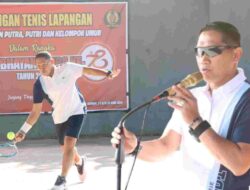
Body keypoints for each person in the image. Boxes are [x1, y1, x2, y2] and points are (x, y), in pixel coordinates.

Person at [111, 21, 250, 190]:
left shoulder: (245, 99)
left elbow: (239, 164)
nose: (203, 58)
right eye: (199, 52)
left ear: (236, 55)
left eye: (212, 50)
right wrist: (134, 147)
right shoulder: (193, 97)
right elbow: (166, 145)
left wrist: (196, 122)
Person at [15, 51, 119, 190]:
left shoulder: (68, 68)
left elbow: (88, 70)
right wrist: (23, 131)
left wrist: (107, 73)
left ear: (51, 61)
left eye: (44, 64)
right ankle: (80, 162)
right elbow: (35, 112)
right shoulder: (39, 84)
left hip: (77, 110)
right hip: (59, 116)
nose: (41, 68)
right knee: (66, 149)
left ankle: (62, 180)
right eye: (38, 66)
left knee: (69, 142)